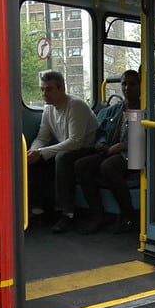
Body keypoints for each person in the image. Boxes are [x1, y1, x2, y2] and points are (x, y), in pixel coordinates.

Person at [28, 70, 99, 233]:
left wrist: (42, 152)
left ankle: (66, 213)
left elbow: (76, 141)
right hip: (69, 148)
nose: (44, 93)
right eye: (42, 89)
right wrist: (34, 152)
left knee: (62, 158)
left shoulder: (76, 105)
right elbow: (42, 137)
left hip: (88, 149)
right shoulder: (48, 109)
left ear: (62, 89)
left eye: (49, 89)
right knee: (35, 158)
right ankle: (37, 210)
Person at [75, 70, 141, 234]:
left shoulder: (142, 109)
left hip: (133, 155)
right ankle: (97, 215)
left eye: (132, 84)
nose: (127, 88)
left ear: (140, 86)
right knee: (81, 165)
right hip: (110, 151)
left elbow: (140, 141)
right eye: (124, 84)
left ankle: (128, 215)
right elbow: (100, 133)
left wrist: (122, 146)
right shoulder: (114, 110)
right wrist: (104, 146)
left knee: (108, 167)